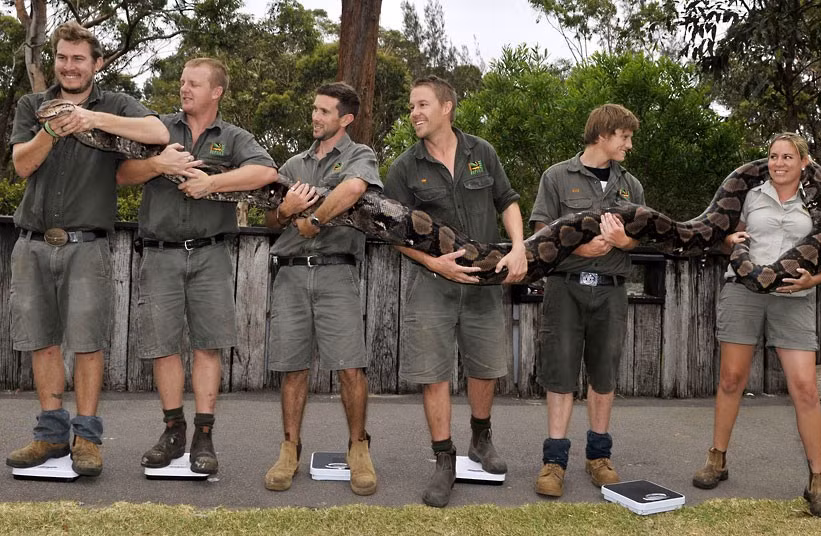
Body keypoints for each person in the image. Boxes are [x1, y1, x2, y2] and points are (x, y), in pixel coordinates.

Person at [4, 22, 169, 477]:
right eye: (62, 57)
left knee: (88, 346)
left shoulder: (115, 104)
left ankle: (87, 440)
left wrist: (92, 120)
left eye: (79, 58)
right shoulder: (32, 105)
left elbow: (157, 131)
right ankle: (50, 436)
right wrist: (53, 131)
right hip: (32, 244)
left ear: (97, 63)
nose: (69, 66)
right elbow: (21, 165)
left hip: (87, 247)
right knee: (41, 343)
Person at [116, 58, 277, 475]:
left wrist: (212, 183)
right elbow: (121, 174)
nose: (184, 88)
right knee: (163, 347)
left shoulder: (234, 137)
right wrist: (157, 164)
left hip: (211, 255)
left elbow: (265, 171)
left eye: (194, 83)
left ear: (216, 91)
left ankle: (203, 437)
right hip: (160, 252)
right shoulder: (159, 129)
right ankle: (172, 431)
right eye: (183, 81)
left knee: (208, 345)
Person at [384, 75, 528, 508]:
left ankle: (481, 441)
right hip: (433, 284)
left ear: (447, 107)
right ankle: (443, 460)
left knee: (485, 365)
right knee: (434, 372)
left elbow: (508, 201)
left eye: (423, 104)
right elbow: (392, 233)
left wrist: (519, 248)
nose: (415, 113)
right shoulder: (404, 168)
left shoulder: (481, 152)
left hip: (483, 284)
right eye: (411, 106)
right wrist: (432, 262)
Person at [691, 132, 821, 517]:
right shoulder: (751, 195)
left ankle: (818, 480)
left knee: (805, 387)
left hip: (796, 297)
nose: (778, 163)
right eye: (773, 156)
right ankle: (717, 459)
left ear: (804, 163)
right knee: (731, 379)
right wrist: (731, 243)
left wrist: (812, 280)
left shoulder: (820, 203)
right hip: (743, 291)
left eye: (787, 157)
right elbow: (728, 237)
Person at [262, 82, 380, 496]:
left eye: (325, 112)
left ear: (345, 119)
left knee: (350, 366)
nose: (315, 116)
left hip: (336, 272)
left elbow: (353, 190)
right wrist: (285, 210)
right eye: (314, 109)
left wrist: (312, 220)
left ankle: (358, 448)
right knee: (293, 367)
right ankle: (289, 448)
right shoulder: (293, 164)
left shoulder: (360, 157)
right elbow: (271, 220)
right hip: (291, 274)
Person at [529, 104, 644, 497]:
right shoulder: (557, 177)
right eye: (624, 136)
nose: (629, 144)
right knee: (560, 374)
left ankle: (599, 456)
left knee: (604, 374)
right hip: (565, 288)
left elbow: (637, 240)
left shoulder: (631, 185)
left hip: (612, 290)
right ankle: (554, 462)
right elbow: (541, 234)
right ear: (602, 135)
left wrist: (620, 241)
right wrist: (580, 251)